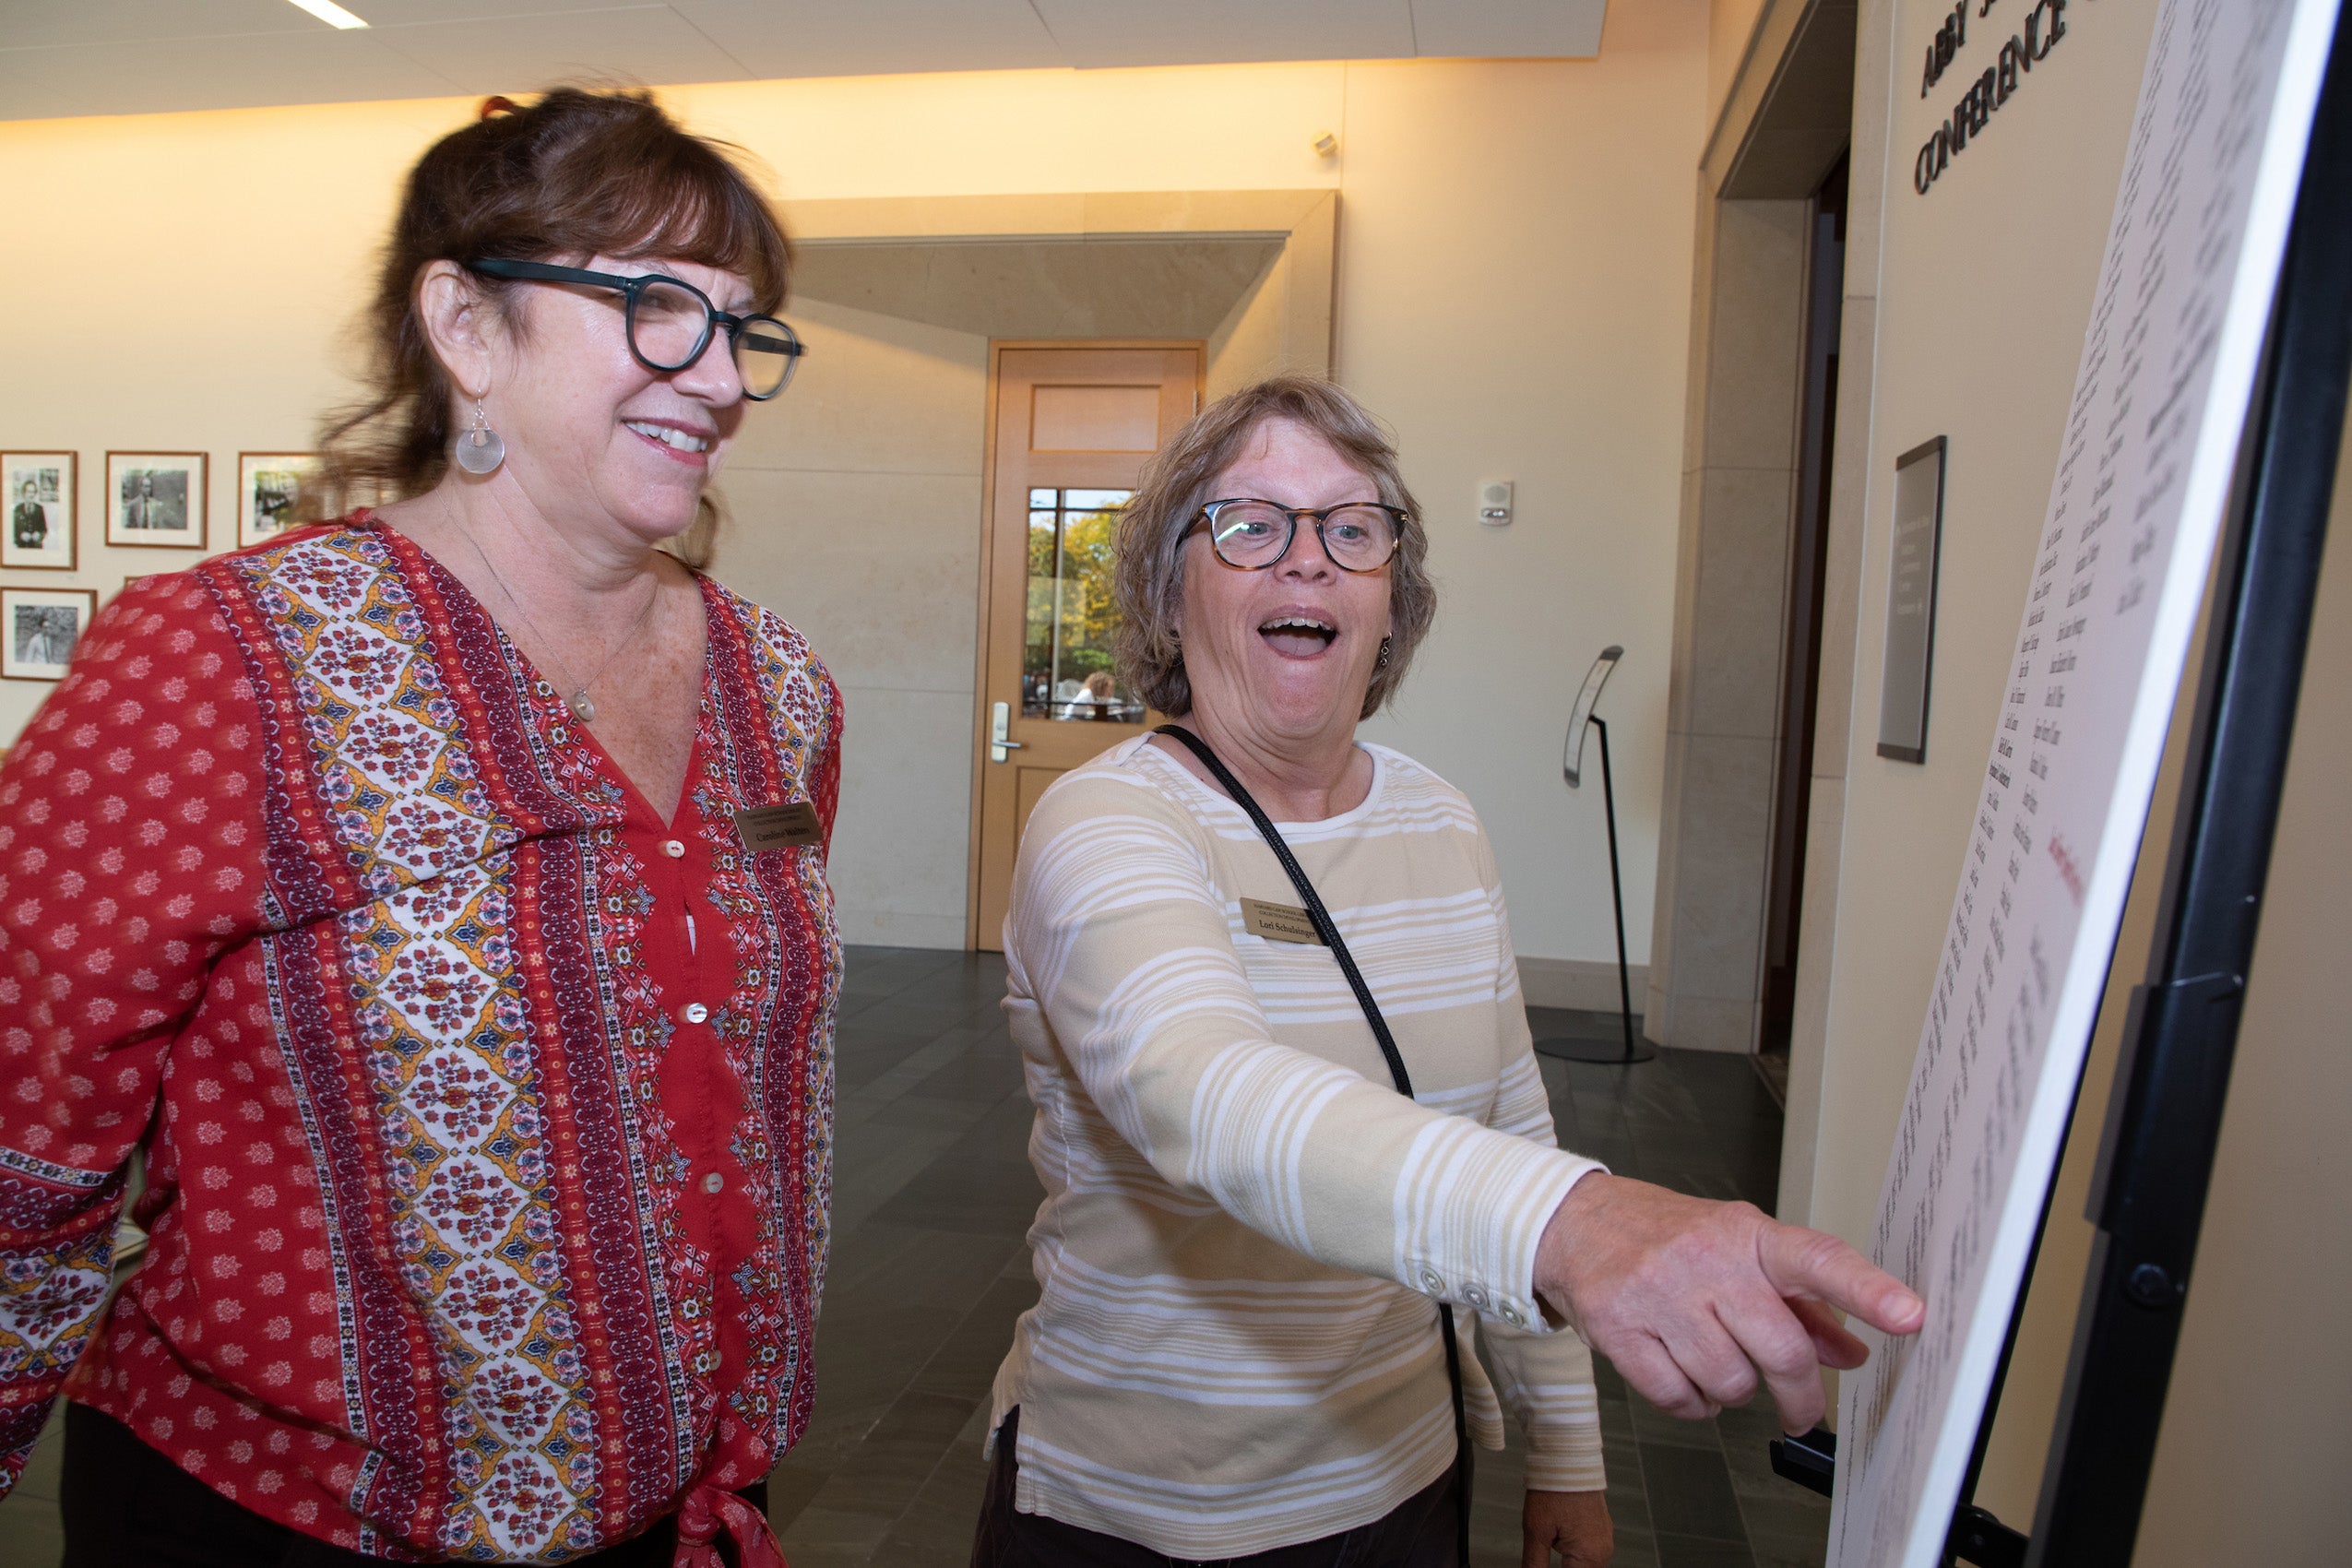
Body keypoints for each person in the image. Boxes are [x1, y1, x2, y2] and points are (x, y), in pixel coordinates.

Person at [0, 89, 836, 1567]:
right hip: (288, 1522)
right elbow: (26, 1121)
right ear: (464, 327)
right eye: (658, 309)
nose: (717, 381)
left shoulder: (779, 685)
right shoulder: (227, 656)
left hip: (675, 1511)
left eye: (741, 327)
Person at [970, 378, 1923, 1568]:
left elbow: (1512, 1116)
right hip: (1150, 1510)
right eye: (1250, 524)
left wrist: (1567, 1453)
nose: (1306, 560)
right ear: (1173, 585)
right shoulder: (1105, 818)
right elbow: (1200, 1091)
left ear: (1391, 596)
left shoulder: (1440, 818)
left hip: (1411, 1482)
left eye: (1350, 529)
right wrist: (1581, 1224)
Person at [11, 476, 45, 550]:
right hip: (22, 548)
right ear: (24, 493)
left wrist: (39, 535)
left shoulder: (40, 509)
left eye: (33, 492)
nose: (32, 495)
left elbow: (44, 529)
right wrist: (20, 535)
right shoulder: (17, 509)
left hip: (36, 549)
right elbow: (12, 531)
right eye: (29, 492)